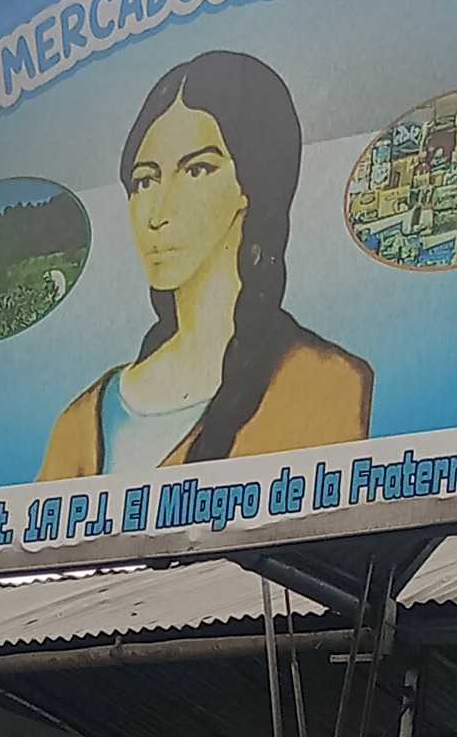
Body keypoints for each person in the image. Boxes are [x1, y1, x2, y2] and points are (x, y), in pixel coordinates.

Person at [41, 49, 372, 479]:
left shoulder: (324, 384)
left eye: (196, 170)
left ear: (251, 184)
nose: (158, 212)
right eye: (145, 180)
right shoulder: (81, 422)